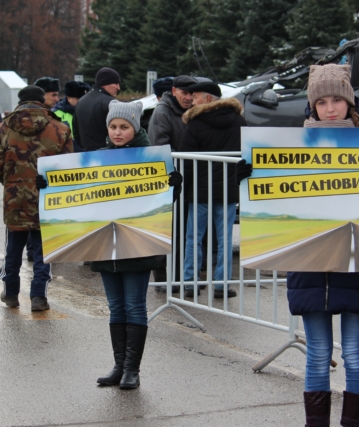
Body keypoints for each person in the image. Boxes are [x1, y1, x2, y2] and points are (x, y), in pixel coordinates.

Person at [287, 64, 359, 427]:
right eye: (322, 102)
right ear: (312, 107)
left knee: (356, 353)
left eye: (338, 100)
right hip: (311, 266)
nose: (330, 109)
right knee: (316, 354)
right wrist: (249, 181)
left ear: (350, 102)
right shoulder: (289, 151)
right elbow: (277, 202)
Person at [78, 100, 182, 389]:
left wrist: (174, 185)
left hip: (137, 245)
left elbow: (162, 203)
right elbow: (78, 194)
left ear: (135, 128)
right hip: (105, 245)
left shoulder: (151, 158)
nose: (117, 132)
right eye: (113, 126)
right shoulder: (98, 157)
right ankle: (118, 365)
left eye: (124, 127)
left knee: (135, 305)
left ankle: (132, 370)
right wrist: (47, 185)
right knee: (115, 307)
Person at [0, 85, 73, 311]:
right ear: (42, 101)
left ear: (20, 101)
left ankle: (10, 293)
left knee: (13, 248)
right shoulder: (60, 128)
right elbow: (67, 167)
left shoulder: (2, 127)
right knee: (43, 250)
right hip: (47, 198)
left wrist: (11, 183)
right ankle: (38, 297)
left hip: (14, 197)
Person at [178, 81, 243, 299]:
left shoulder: (195, 123)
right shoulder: (239, 120)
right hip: (229, 190)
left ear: (207, 99)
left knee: (193, 238)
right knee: (225, 239)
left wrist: (183, 189)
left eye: (195, 96)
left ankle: (190, 282)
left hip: (199, 192)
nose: (191, 101)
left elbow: (186, 161)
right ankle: (221, 285)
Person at [148, 75, 196, 292]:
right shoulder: (162, 111)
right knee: (167, 230)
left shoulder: (192, 110)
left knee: (183, 230)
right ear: (174, 90)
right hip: (169, 180)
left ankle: (177, 277)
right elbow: (159, 145)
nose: (188, 97)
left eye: (191, 93)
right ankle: (161, 278)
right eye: (184, 93)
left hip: (188, 178)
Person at [73, 67, 121, 151]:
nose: (118, 88)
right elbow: (121, 134)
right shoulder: (112, 103)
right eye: (116, 83)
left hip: (87, 156)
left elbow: (76, 133)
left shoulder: (81, 102)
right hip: (109, 156)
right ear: (105, 83)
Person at [52, 80, 91, 150]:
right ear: (69, 98)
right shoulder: (56, 114)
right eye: (78, 99)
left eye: (84, 99)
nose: (82, 102)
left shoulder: (90, 111)